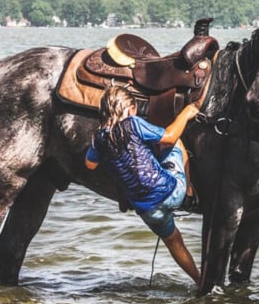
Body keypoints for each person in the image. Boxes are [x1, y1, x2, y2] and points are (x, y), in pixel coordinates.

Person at [85, 86, 200, 286]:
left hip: (149, 211)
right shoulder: (134, 123)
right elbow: (169, 136)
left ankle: (199, 281)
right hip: (172, 192)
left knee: (174, 243)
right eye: (134, 108)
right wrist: (187, 113)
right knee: (176, 145)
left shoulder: (98, 139)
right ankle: (189, 192)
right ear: (129, 109)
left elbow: (90, 164)